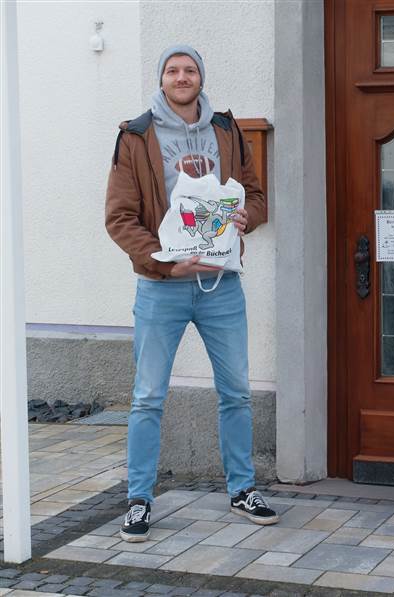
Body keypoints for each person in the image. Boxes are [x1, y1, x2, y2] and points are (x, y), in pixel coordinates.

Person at [105, 45, 278, 542]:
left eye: (190, 70)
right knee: (146, 398)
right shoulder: (136, 136)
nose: (182, 77)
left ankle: (243, 489)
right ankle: (139, 499)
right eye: (173, 70)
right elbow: (119, 218)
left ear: (202, 76)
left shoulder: (226, 129)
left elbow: (255, 195)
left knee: (236, 394)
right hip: (162, 289)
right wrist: (162, 259)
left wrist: (250, 215)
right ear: (161, 79)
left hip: (222, 285)